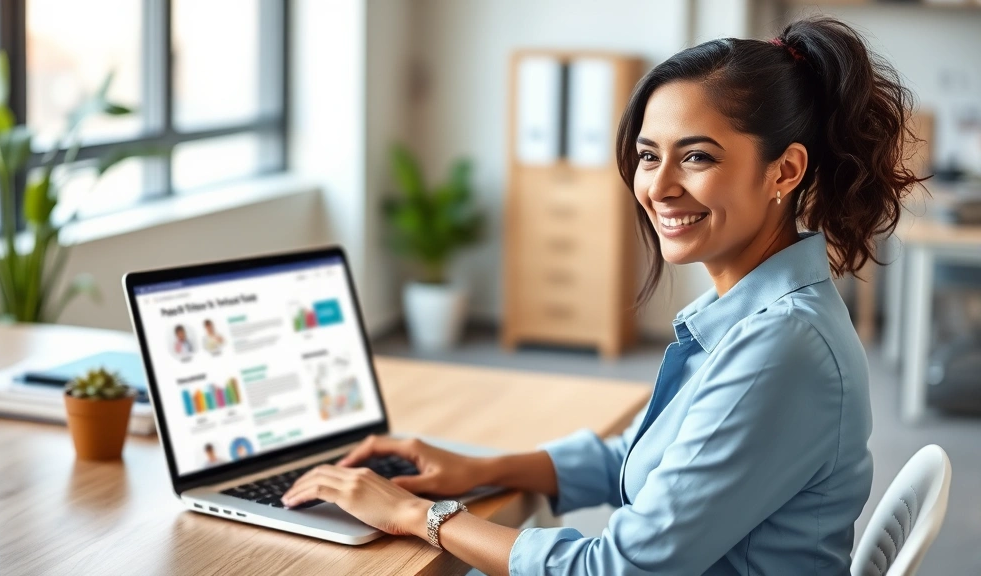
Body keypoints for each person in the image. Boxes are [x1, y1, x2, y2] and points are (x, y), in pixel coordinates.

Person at [279, 17, 925, 575]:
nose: (660, 187)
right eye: (648, 156)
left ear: (783, 171)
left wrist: (419, 516)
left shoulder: (782, 347)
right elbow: (646, 457)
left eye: (696, 158)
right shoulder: (756, 316)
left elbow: (619, 568)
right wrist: (481, 469)